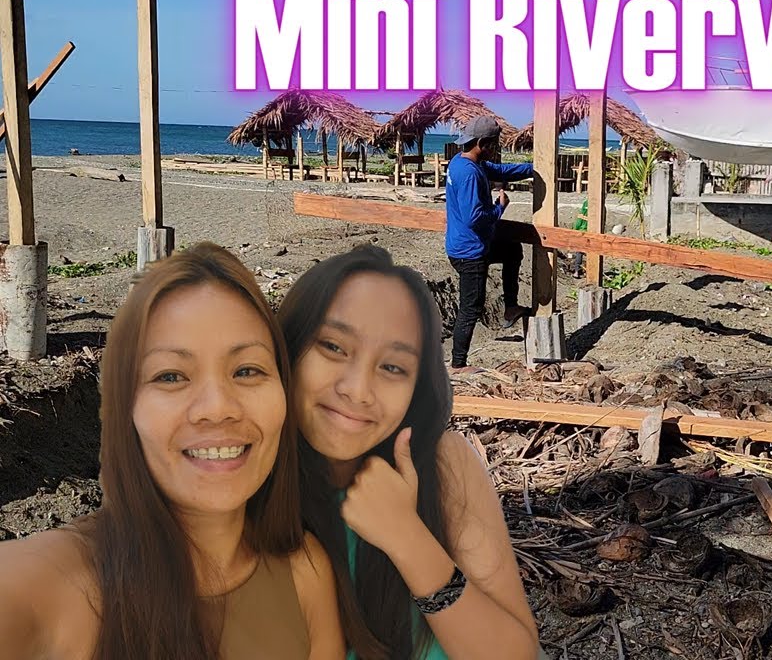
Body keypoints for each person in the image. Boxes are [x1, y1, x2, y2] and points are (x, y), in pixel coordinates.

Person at [0, 242, 345, 660]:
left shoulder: (304, 572)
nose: (217, 408)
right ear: (126, 411)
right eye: (171, 376)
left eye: (247, 370)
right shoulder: (66, 586)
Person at [277, 244, 542, 660]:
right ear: (289, 349)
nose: (358, 390)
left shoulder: (443, 463)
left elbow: (517, 654)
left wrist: (408, 539)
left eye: (393, 368)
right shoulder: (246, 485)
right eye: (333, 347)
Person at [444, 116, 535, 372]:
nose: (496, 149)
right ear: (483, 143)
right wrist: (499, 208)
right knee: (471, 307)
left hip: (467, 244)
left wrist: (533, 168)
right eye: (494, 144)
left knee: (511, 249)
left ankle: (510, 307)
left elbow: (500, 172)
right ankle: (458, 363)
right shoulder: (470, 174)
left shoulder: (465, 163)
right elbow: (475, 219)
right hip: (469, 251)